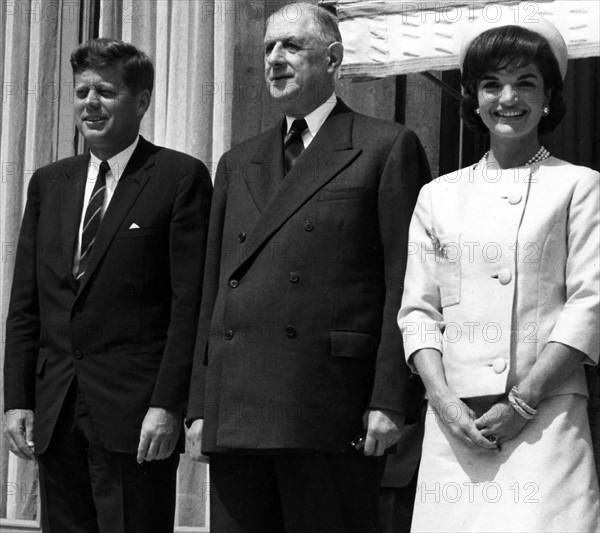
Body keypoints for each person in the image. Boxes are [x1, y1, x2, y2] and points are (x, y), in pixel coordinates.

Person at [186, 4, 430, 532]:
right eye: (269, 47)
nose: (274, 58)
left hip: (328, 406)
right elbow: (214, 290)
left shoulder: (385, 147)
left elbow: (405, 285)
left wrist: (390, 399)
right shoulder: (237, 161)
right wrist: (200, 405)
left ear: (334, 58)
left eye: (292, 46)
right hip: (238, 407)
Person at [398, 12, 600, 533]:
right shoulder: (437, 196)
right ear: (474, 97)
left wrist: (523, 402)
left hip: (546, 420)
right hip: (457, 426)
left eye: (525, 83)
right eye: (492, 84)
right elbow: (419, 311)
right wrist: (443, 402)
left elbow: (588, 302)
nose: (507, 98)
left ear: (549, 97)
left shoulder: (578, 186)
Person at [3, 38, 212, 532]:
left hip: (135, 419)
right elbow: (26, 303)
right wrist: (17, 399)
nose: (90, 103)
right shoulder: (49, 182)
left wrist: (168, 406)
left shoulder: (178, 177)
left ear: (141, 101)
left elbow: (189, 306)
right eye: (81, 92)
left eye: (105, 91)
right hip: (56, 412)